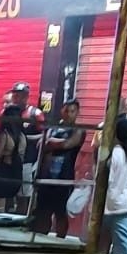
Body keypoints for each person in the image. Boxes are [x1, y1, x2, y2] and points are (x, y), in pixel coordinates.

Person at [30, 99, 86, 237]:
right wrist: (51, 143)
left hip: (64, 178)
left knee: (60, 211)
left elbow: (68, 144)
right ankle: (39, 239)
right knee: (43, 210)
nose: (69, 114)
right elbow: (42, 144)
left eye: (72, 111)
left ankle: (60, 240)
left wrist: (51, 143)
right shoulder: (52, 128)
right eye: (66, 110)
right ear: (62, 110)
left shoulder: (79, 130)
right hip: (46, 176)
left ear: (77, 112)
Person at [100, 138, 127, 254]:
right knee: (123, 245)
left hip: (111, 203)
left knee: (110, 245)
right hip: (122, 203)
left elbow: (107, 180)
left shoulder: (115, 153)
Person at [0, 106, 28, 211]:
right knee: (10, 207)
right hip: (17, 174)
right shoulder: (22, 136)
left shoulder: (4, 135)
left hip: (3, 173)